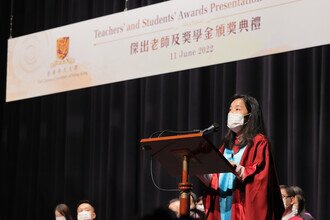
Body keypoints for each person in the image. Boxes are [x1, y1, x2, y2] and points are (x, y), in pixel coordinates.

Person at [199, 94, 284, 220]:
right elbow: (215, 180)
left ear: (250, 115)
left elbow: (261, 178)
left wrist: (238, 169)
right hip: (223, 204)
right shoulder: (225, 145)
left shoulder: (258, 142)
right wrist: (198, 168)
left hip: (242, 206)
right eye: (230, 109)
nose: (232, 112)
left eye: (237, 109)